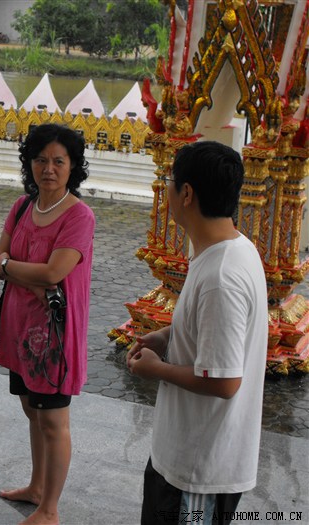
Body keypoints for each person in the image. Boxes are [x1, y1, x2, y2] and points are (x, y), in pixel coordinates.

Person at [127, 141, 268, 524]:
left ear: (186, 193)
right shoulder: (228, 249)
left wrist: (155, 369)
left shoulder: (222, 276)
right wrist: (168, 335)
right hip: (184, 456)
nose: (167, 191)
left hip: (198, 471)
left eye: (171, 182)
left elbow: (224, 381)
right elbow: (214, 330)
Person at [0, 124, 95, 525]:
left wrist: (10, 268)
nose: (48, 169)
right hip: (19, 329)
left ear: (73, 167)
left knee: (53, 420)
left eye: (58, 161)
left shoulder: (79, 216)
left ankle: (50, 510)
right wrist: (17, 272)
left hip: (54, 335)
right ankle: (36, 487)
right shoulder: (22, 207)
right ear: (29, 163)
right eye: (40, 160)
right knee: (31, 409)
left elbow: (53, 272)